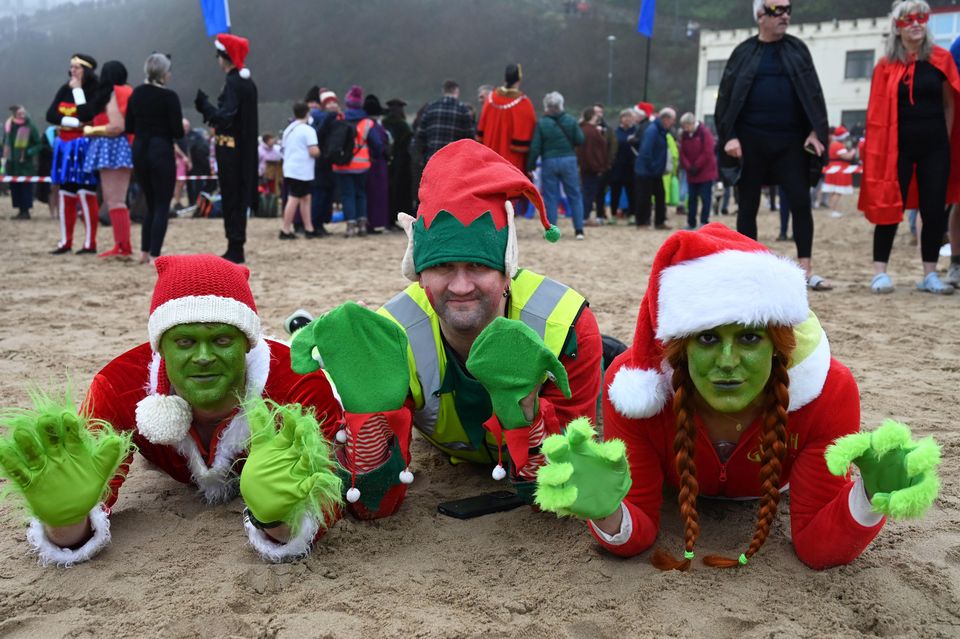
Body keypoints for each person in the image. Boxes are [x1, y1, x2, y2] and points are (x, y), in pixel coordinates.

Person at [534, 223, 942, 571]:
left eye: (749, 337)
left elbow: (818, 547)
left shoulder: (829, 393)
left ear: (779, 346)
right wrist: (606, 510)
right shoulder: (633, 390)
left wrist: (869, 498)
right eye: (708, 338)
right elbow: (636, 531)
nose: (728, 361)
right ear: (680, 349)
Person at [287, 139, 602, 519]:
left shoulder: (567, 326)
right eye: (442, 267)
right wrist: (366, 417)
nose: (461, 286)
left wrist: (526, 417)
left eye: (478, 267)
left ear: (507, 270)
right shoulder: (393, 335)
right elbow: (375, 505)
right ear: (419, 275)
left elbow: (558, 494)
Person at [0, 254, 345, 566]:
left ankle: (306, 333)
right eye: (185, 342)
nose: (204, 356)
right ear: (161, 346)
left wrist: (277, 519)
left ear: (248, 343)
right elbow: (87, 490)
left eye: (222, 339)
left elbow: (343, 494)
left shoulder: (298, 385)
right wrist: (65, 521)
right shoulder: (118, 386)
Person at [714, 0, 832, 291]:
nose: (785, 16)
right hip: (750, 142)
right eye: (777, 10)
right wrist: (729, 136)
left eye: (788, 9)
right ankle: (749, 268)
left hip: (791, 142)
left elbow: (813, 94)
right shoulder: (743, 53)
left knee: (801, 202)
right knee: (748, 205)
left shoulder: (797, 50)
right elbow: (726, 98)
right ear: (760, 16)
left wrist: (816, 132)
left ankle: (805, 269)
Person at [859, 1, 960, 295]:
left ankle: (929, 274)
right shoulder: (886, 66)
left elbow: (949, 103)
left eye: (921, 18)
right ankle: (880, 271)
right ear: (897, 26)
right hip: (896, 148)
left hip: (935, 146)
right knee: (889, 206)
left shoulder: (941, 59)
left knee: (933, 210)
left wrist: (944, 139)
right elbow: (876, 112)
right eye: (908, 19)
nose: (916, 23)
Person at [195, 33, 259, 264]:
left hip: (231, 150)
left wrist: (205, 107)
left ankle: (235, 245)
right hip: (238, 149)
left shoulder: (234, 82)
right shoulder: (245, 82)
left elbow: (225, 117)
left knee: (233, 196)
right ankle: (235, 243)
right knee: (235, 196)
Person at [125, 53, 184, 265]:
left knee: (150, 202)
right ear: (163, 73)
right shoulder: (169, 97)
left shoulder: (136, 94)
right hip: (160, 149)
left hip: (139, 149)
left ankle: (144, 251)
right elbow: (178, 131)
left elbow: (129, 126)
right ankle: (155, 255)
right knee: (161, 204)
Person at [46, 53, 100, 255]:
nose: (73, 71)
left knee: (86, 193)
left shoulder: (94, 90)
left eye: (77, 67)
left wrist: (78, 92)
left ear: (87, 71)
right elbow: (50, 114)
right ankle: (65, 241)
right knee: (65, 192)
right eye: (71, 67)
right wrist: (75, 122)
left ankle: (89, 243)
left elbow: (88, 115)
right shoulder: (64, 89)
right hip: (64, 145)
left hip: (83, 145)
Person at [82, 61, 134, 259]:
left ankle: (123, 245)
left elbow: (117, 127)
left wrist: (91, 130)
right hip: (110, 147)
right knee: (113, 200)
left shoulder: (114, 95)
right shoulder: (115, 95)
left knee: (116, 199)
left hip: (113, 147)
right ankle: (120, 244)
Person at [526, 92, 586, 239]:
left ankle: (551, 231)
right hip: (569, 160)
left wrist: (530, 165)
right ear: (561, 104)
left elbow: (535, 147)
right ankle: (579, 230)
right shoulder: (571, 121)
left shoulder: (542, 123)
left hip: (549, 161)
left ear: (546, 106)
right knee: (575, 195)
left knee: (551, 197)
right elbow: (580, 139)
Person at [332, 85, 383, 237]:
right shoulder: (367, 122)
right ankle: (362, 224)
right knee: (361, 193)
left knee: (347, 194)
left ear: (347, 103)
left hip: (342, 164)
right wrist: (373, 155)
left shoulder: (340, 118)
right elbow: (377, 144)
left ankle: (350, 225)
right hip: (362, 164)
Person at [477, 64, 537, 174]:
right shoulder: (524, 103)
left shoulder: (490, 99)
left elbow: (480, 131)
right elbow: (527, 136)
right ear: (519, 80)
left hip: (490, 157)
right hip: (512, 160)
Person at [279, 102, 320, 240]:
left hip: (290, 167)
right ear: (307, 113)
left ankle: (309, 227)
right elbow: (313, 150)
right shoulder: (308, 130)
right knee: (294, 198)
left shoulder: (289, 129)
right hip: (301, 170)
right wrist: (321, 153)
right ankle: (285, 229)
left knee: (305, 197)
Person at [414, 79, 475, 167]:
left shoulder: (430, 108)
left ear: (443, 91)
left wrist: (420, 158)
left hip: (432, 158)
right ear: (456, 91)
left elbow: (420, 135)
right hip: (453, 161)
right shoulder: (463, 110)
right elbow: (469, 137)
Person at [635, 108, 676, 230]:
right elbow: (646, 150)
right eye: (672, 120)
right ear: (665, 119)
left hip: (655, 171)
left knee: (660, 196)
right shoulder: (653, 130)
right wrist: (652, 167)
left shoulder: (660, 130)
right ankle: (642, 222)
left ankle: (659, 221)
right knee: (644, 197)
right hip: (647, 171)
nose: (673, 123)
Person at [678, 112, 718, 230]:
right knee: (691, 199)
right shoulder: (684, 135)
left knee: (705, 198)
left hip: (705, 172)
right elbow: (682, 153)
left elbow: (708, 152)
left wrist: (697, 165)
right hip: (691, 173)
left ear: (691, 123)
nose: (685, 128)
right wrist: (688, 166)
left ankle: (704, 222)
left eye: (686, 126)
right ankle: (691, 222)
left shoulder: (704, 133)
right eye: (683, 126)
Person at [2, 105, 41, 220]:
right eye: (20, 114)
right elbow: (5, 142)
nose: (22, 116)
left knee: (25, 187)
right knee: (15, 187)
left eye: (23, 113)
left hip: (25, 164)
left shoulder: (30, 126)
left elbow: (38, 144)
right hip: (12, 163)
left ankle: (26, 210)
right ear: (14, 114)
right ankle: (20, 210)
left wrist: (29, 152)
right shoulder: (9, 127)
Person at [383, 97, 414, 226]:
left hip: (386, 160)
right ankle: (400, 217)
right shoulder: (403, 125)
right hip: (402, 162)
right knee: (402, 192)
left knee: (388, 191)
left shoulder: (383, 123)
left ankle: (388, 217)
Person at [576, 106, 609, 228]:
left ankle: (584, 216)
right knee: (589, 193)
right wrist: (598, 167)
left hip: (586, 166)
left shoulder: (583, 129)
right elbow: (593, 151)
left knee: (587, 192)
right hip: (591, 167)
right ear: (592, 116)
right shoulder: (591, 131)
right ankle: (585, 217)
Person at [363, 94, 390, 232]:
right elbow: (379, 145)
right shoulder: (375, 126)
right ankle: (374, 222)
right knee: (377, 194)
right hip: (377, 164)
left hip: (365, 163)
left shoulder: (363, 123)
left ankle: (368, 222)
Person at [607, 108, 640, 221]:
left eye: (629, 117)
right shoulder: (616, 132)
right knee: (615, 192)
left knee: (632, 192)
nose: (627, 119)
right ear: (621, 119)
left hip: (631, 166)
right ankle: (613, 214)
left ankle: (632, 214)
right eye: (625, 117)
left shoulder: (636, 131)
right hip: (617, 166)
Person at [821, 126, 856, 216]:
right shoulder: (838, 145)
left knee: (834, 191)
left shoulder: (833, 144)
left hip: (834, 169)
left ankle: (833, 210)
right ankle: (834, 211)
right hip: (839, 170)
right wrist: (852, 152)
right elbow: (847, 156)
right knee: (837, 191)